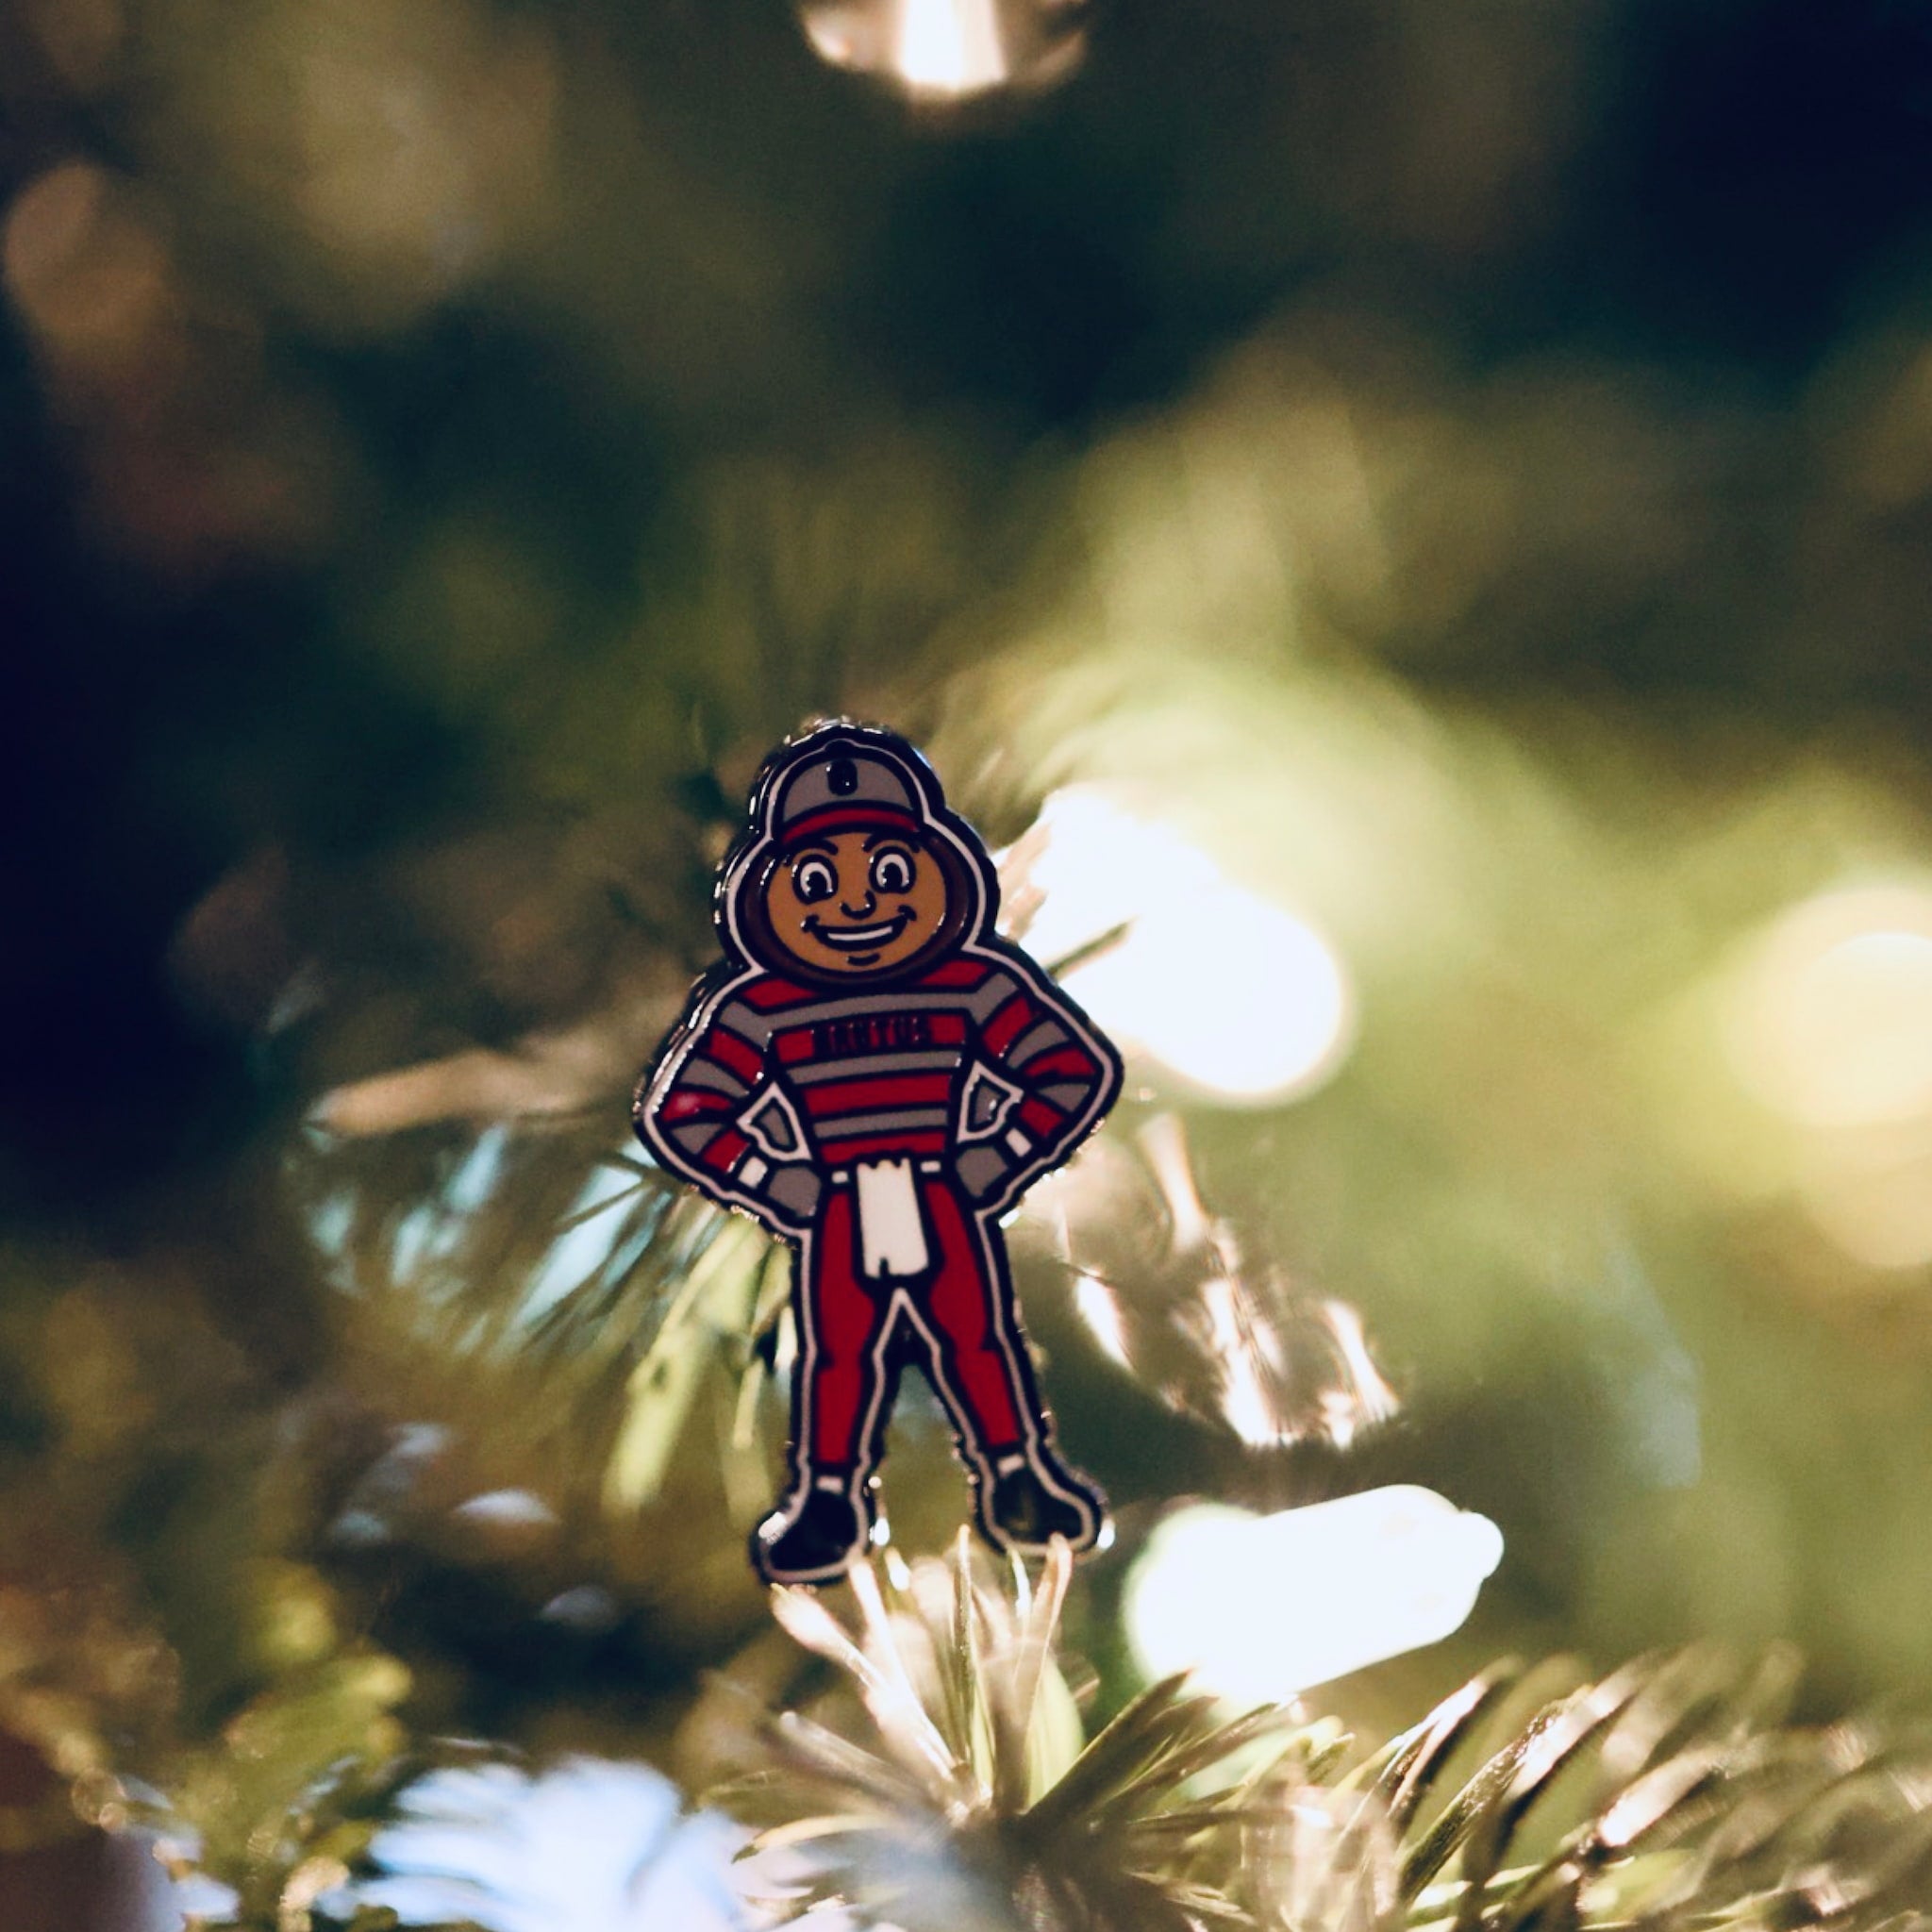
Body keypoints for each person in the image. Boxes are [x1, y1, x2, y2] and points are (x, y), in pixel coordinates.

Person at [637, 722, 1122, 1584]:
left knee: (977, 1339)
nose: (856, 904)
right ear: (766, 891)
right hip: (836, 1210)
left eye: (889, 874)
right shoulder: (761, 1006)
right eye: (818, 881)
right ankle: (829, 1499)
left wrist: (991, 1164)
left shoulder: (973, 984)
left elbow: (1071, 1069)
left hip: (943, 1197)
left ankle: (1016, 1475)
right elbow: (686, 1109)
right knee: (838, 1356)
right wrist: (777, 1184)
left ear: (943, 873)